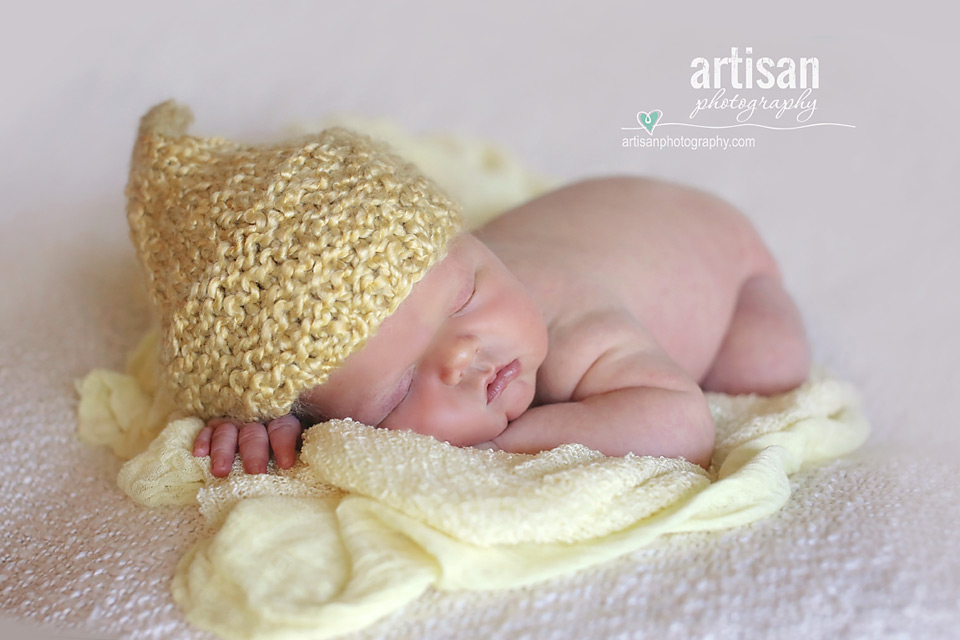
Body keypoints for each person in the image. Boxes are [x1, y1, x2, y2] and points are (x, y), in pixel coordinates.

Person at [127, 101, 810, 479]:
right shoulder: (343, 367)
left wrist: (496, 449)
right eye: (399, 390)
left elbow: (681, 425)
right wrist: (274, 427)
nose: (464, 357)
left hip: (715, 246)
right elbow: (309, 397)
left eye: (464, 298)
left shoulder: (577, 328)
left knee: (766, 364)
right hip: (608, 214)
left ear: (471, 246)